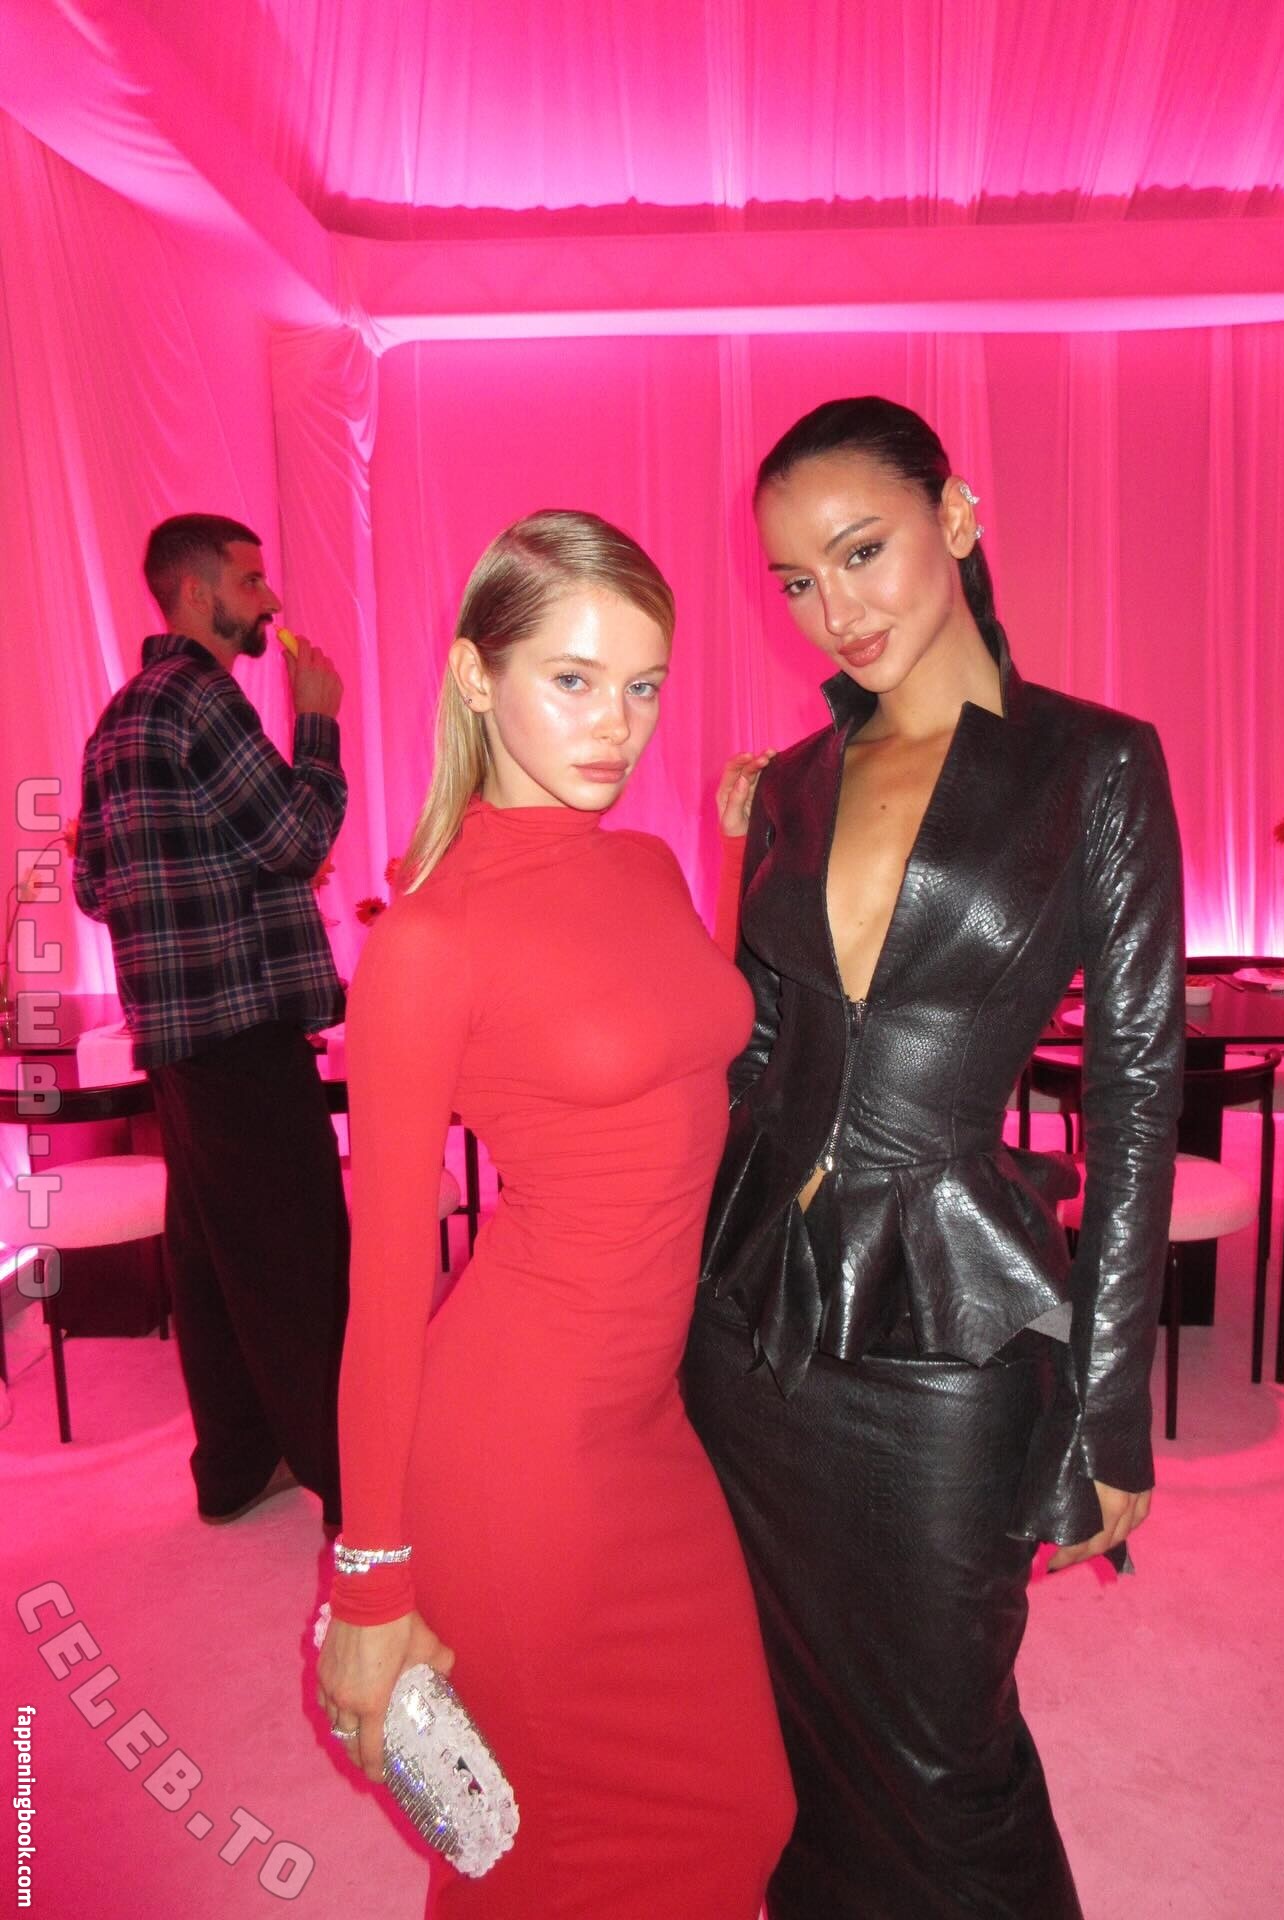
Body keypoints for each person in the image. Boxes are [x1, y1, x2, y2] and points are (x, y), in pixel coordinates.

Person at [683, 397, 1185, 1919]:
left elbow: (1137, 1092)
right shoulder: (787, 784)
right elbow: (754, 1059)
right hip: (749, 1315)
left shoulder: (1095, 764)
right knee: (787, 1712)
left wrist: (1108, 1411)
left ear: (956, 519)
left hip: (951, 1330)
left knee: (947, 1750)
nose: (834, 610)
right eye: (796, 580)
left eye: (862, 552)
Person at [315, 510, 794, 1919]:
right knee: (557, 1859)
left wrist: (734, 857)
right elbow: (383, 1293)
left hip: (648, 1423)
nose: (616, 725)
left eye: (642, 685)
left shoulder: (643, 867)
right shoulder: (426, 943)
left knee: (740, 1807)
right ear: (479, 676)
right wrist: (369, 1586)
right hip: (517, 1450)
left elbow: (679, 1026)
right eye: (572, 680)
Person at [73, 513, 348, 1528]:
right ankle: (355, 1491)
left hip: (178, 1046)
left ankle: (236, 1469)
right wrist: (317, 723)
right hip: (242, 1031)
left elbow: (95, 888)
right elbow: (298, 834)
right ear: (196, 594)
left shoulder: (118, 717)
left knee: (213, 1262)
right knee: (298, 1261)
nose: (269, 601)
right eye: (250, 580)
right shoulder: (205, 696)